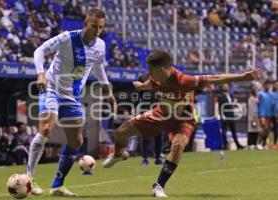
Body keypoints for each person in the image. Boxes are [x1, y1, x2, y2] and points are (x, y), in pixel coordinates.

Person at [102, 49, 261, 197]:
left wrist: (243, 77)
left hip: (183, 118)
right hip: (162, 112)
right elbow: (151, 83)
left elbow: (215, 78)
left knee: (178, 145)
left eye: (151, 70)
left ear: (163, 69)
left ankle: (159, 185)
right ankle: (118, 154)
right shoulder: (156, 77)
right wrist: (142, 86)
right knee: (121, 132)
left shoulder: (184, 80)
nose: (148, 73)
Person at [27, 8, 116, 196]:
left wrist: (108, 92)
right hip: (51, 87)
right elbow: (39, 51)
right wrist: (40, 74)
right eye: (94, 26)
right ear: (85, 24)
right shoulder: (67, 38)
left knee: (76, 141)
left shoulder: (100, 45)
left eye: (100, 27)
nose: (97, 31)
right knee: (46, 129)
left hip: (72, 96)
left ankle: (57, 185)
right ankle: (29, 178)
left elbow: (98, 67)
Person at [137, 73, 163, 166]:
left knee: (159, 136)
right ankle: (145, 158)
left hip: (159, 110)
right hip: (146, 110)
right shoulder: (142, 77)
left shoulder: (161, 77)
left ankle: (158, 157)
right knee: (145, 135)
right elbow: (138, 95)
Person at [218, 84, 244, 150]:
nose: (226, 87)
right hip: (225, 115)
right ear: (222, 87)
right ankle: (225, 145)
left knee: (234, 130)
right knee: (224, 131)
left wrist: (234, 102)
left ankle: (237, 144)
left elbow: (231, 104)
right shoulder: (220, 96)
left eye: (227, 86)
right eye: (225, 86)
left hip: (231, 115)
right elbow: (220, 106)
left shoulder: (231, 95)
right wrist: (222, 115)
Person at [257, 80, 272, 150]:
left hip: (269, 113)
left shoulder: (270, 94)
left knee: (268, 130)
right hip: (262, 113)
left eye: (269, 85)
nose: (268, 86)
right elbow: (257, 103)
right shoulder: (260, 93)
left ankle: (264, 144)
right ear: (264, 85)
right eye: (266, 85)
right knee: (264, 128)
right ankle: (258, 143)